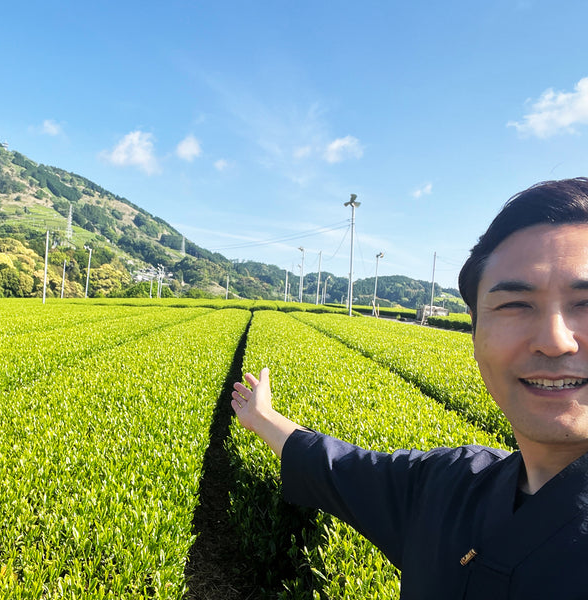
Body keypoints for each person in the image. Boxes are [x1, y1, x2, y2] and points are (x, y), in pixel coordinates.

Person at [231, 177, 588, 600]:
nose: (555, 340)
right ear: (474, 334)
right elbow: (339, 469)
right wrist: (262, 418)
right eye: (515, 304)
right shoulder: (447, 487)